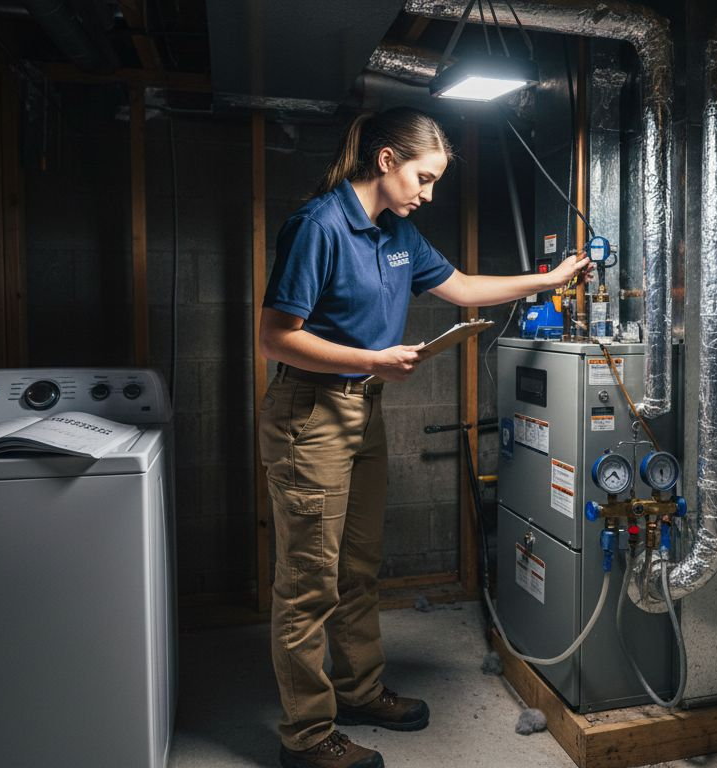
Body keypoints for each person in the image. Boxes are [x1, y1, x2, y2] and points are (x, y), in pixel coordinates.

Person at [258, 106, 591, 768]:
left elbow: (461, 287)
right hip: (310, 413)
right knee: (309, 580)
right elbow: (275, 337)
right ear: (386, 161)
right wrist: (373, 359)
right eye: (425, 177)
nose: (429, 194)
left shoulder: (398, 234)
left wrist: (547, 280)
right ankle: (308, 735)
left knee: (356, 567)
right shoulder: (320, 226)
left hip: (365, 408)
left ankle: (358, 692)